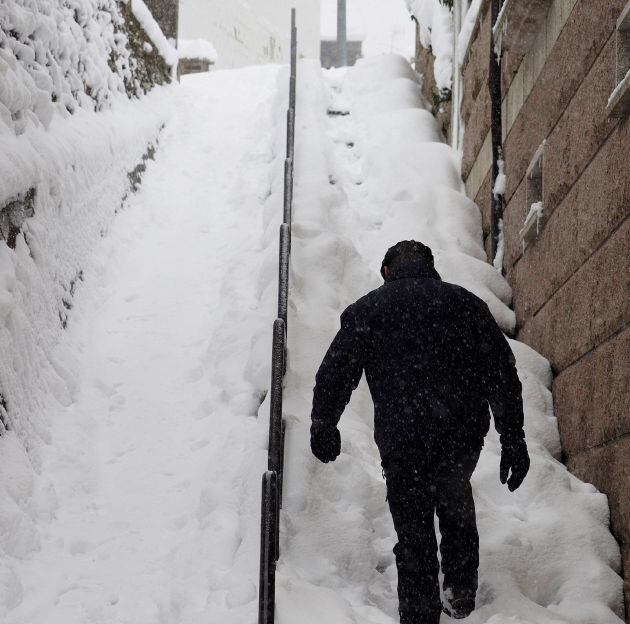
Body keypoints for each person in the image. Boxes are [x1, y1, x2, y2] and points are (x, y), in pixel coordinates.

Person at [310, 240, 530, 624]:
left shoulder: (368, 310)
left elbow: (335, 372)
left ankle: (418, 614)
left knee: (413, 535)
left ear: (387, 272)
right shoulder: (466, 305)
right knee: (456, 506)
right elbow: (502, 375)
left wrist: (323, 422)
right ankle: (460, 593)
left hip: (402, 441)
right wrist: (513, 437)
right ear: (431, 267)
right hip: (458, 437)